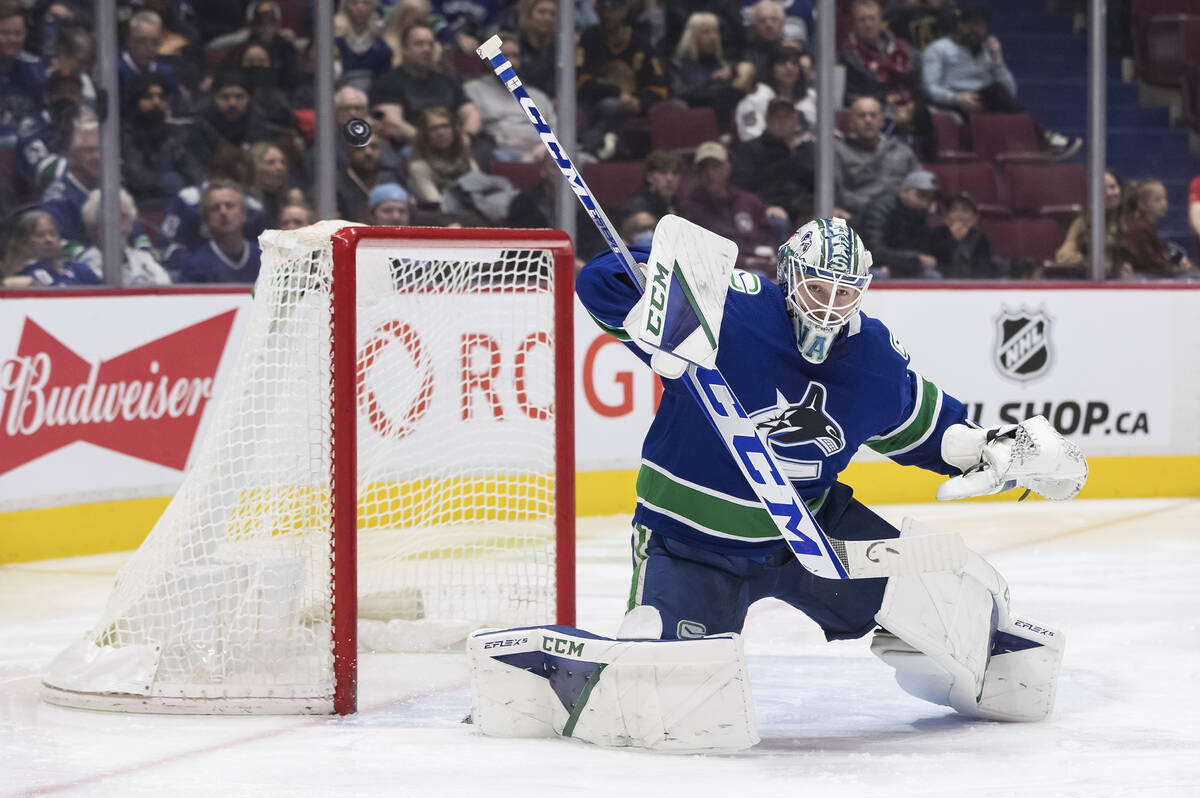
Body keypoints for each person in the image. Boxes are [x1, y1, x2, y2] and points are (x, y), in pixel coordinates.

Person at [571, 214, 1082, 729]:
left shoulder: (871, 357)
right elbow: (599, 279)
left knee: (941, 592)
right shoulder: (729, 307)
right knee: (669, 699)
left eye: (845, 293)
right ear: (788, 274)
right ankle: (574, 683)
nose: (829, 306)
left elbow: (922, 427)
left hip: (810, 535)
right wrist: (657, 300)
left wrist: (994, 447)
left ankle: (991, 664)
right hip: (691, 545)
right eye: (817, 287)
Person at [922, 6, 1080, 160]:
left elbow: (1010, 91)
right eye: (971, 25)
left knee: (998, 91)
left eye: (981, 26)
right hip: (952, 100)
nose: (976, 30)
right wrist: (957, 98)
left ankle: (1041, 142)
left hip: (985, 99)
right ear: (960, 25)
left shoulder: (986, 51)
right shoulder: (938, 49)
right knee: (997, 93)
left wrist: (997, 58)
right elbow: (929, 87)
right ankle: (1045, 138)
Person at [840, 0, 935, 162]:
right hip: (877, 112)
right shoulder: (846, 55)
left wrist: (912, 106)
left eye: (872, 19)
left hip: (910, 110)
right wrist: (884, 102)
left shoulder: (904, 49)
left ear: (881, 21)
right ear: (854, 24)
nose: (868, 24)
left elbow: (919, 84)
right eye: (862, 20)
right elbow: (849, 96)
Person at [575, 0, 670, 160]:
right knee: (611, 106)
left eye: (614, 9)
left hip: (636, 102)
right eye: (603, 9)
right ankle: (606, 152)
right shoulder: (589, 39)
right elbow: (582, 84)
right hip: (599, 105)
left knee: (675, 106)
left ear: (625, 10)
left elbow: (660, 86)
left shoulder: (640, 42)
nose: (608, 14)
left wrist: (640, 102)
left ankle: (663, 161)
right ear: (596, 10)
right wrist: (618, 93)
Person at [369, 23, 482, 148]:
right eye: (419, 44)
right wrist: (431, 144)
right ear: (404, 49)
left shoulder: (449, 80)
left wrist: (466, 137)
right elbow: (394, 124)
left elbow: (471, 114)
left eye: (430, 45)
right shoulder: (387, 82)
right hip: (413, 148)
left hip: (455, 147)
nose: (426, 49)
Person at [678, 140, 776, 276]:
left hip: (759, 263)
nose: (709, 174)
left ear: (728, 167)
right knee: (755, 278)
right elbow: (703, 252)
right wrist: (746, 261)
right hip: (720, 272)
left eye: (715, 166)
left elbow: (767, 236)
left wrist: (772, 257)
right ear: (697, 172)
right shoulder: (691, 207)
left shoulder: (748, 201)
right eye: (704, 168)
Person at [463, 33, 556, 162]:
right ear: (489, 60)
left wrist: (544, 147)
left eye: (515, 56)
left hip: (541, 152)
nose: (510, 62)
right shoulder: (474, 89)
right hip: (499, 149)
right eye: (504, 56)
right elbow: (476, 127)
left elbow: (556, 129)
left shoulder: (537, 96)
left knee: (583, 160)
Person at [121, 71, 202, 210]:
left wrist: (199, 188)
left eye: (161, 97)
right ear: (136, 100)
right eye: (148, 97)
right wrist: (168, 181)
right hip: (139, 204)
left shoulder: (176, 133)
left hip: (176, 203)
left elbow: (193, 170)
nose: (156, 102)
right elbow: (137, 177)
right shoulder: (123, 134)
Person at [834, 95, 921, 222]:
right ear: (851, 122)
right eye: (862, 115)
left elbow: (921, 185)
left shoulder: (902, 151)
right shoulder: (839, 152)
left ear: (881, 121)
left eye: (873, 115)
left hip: (900, 219)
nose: (868, 120)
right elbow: (838, 195)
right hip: (859, 218)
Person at [732, 97, 815, 227]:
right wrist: (765, 207)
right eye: (776, 117)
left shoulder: (807, 149)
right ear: (767, 120)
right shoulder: (751, 149)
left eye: (786, 116)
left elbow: (818, 185)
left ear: (796, 119)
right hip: (770, 212)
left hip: (806, 210)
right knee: (778, 224)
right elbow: (742, 189)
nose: (782, 122)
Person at [670, 11, 753, 134]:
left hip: (724, 125)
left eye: (716, 31)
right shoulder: (678, 64)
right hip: (691, 124)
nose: (713, 37)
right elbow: (681, 94)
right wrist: (712, 80)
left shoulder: (723, 65)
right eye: (706, 32)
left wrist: (736, 80)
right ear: (692, 36)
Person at [76, 188, 172, 286]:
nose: (124, 225)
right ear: (95, 222)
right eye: (115, 217)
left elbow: (166, 292)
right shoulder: (84, 266)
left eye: (127, 218)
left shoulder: (145, 260)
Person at [173, 179, 262, 283]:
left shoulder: (264, 259)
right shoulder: (195, 266)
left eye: (229, 206)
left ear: (244, 214)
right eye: (215, 208)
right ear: (206, 219)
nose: (223, 212)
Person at [858, 168, 941, 278]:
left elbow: (924, 252)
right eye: (921, 195)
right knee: (879, 274)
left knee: (933, 275)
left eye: (930, 199)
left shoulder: (920, 214)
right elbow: (873, 251)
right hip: (873, 265)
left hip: (903, 265)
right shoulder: (880, 209)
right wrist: (914, 259)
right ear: (904, 191)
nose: (925, 203)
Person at [735, 44, 816, 144]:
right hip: (769, 156)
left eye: (794, 63)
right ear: (771, 69)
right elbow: (750, 137)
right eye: (782, 63)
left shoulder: (812, 97)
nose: (789, 67)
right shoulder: (754, 100)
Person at [40, 117, 100, 247]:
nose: (97, 156)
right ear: (73, 156)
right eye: (89, 151)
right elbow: (59, 245)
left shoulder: (112, 189)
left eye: (101, 150)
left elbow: (136, 235)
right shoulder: (57, 197)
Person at [1118, 178, 1194, 280]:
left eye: (1164, 198)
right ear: (1142, 204)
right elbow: (1150, 263)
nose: (1164, 203)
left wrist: (1173, 259)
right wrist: (1176, 269)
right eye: (1157, 200)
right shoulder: (1140, 228)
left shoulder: (1147, 226)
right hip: (1142, 276)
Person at [118, 10, 188, 118]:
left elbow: (177, 110)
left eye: (155, 42)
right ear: (129, 41)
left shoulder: (166, 73)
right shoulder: (116, 71)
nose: (148, 48)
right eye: (141, 41)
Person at [406, 106, 479, 208]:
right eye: (433, 129)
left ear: (454, 129)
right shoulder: (419, 167)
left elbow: (480, 186)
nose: (441, 133)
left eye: (445, 126)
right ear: (425, 134)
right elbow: (436, 204)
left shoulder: (464, 154)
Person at [4, 208, 98, 286]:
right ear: (24, 244)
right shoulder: (26, 276)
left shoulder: (79, 269)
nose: (49, 240)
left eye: (53, 234)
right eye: (40, 235)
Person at [1055, 170, 1123, 270]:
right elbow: (1063, 256)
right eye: (1102, 189)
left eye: (1113, 187)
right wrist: (1088, 261)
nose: (1110, 193)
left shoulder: (1126, 219)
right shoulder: (1082, 222)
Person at [0, 0, 46, 144]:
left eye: (18, 33)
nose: (13, 39)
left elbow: (42, 119)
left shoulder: (35, 69)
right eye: (5, 33)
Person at [928, 192, 996, 278]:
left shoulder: (981, 239)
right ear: (947, 218)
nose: (959, 215)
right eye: (954, 210)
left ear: (975, 218)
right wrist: (953, 240)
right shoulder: (936, 234)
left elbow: (984, 271)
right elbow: (934, 263)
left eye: (965, 210)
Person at [335, 0, 393, 94]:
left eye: (365, 3)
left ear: (373, 7)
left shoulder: (382, 48)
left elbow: (384, 85)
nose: (360, 8)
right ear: (345, 7)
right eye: (354, 3)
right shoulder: (334, 42)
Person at [620, 148, 684, 220]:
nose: (670, 178)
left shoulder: (681, 207)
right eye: (662, 172)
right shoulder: (638, 208)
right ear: (649, 177)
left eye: (675, 173)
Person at [515, 0, 557, 98]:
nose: (548, 18)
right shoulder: (515, 44)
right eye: (542, 12)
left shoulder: (557, 48)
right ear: (528, 15)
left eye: (552, 14)